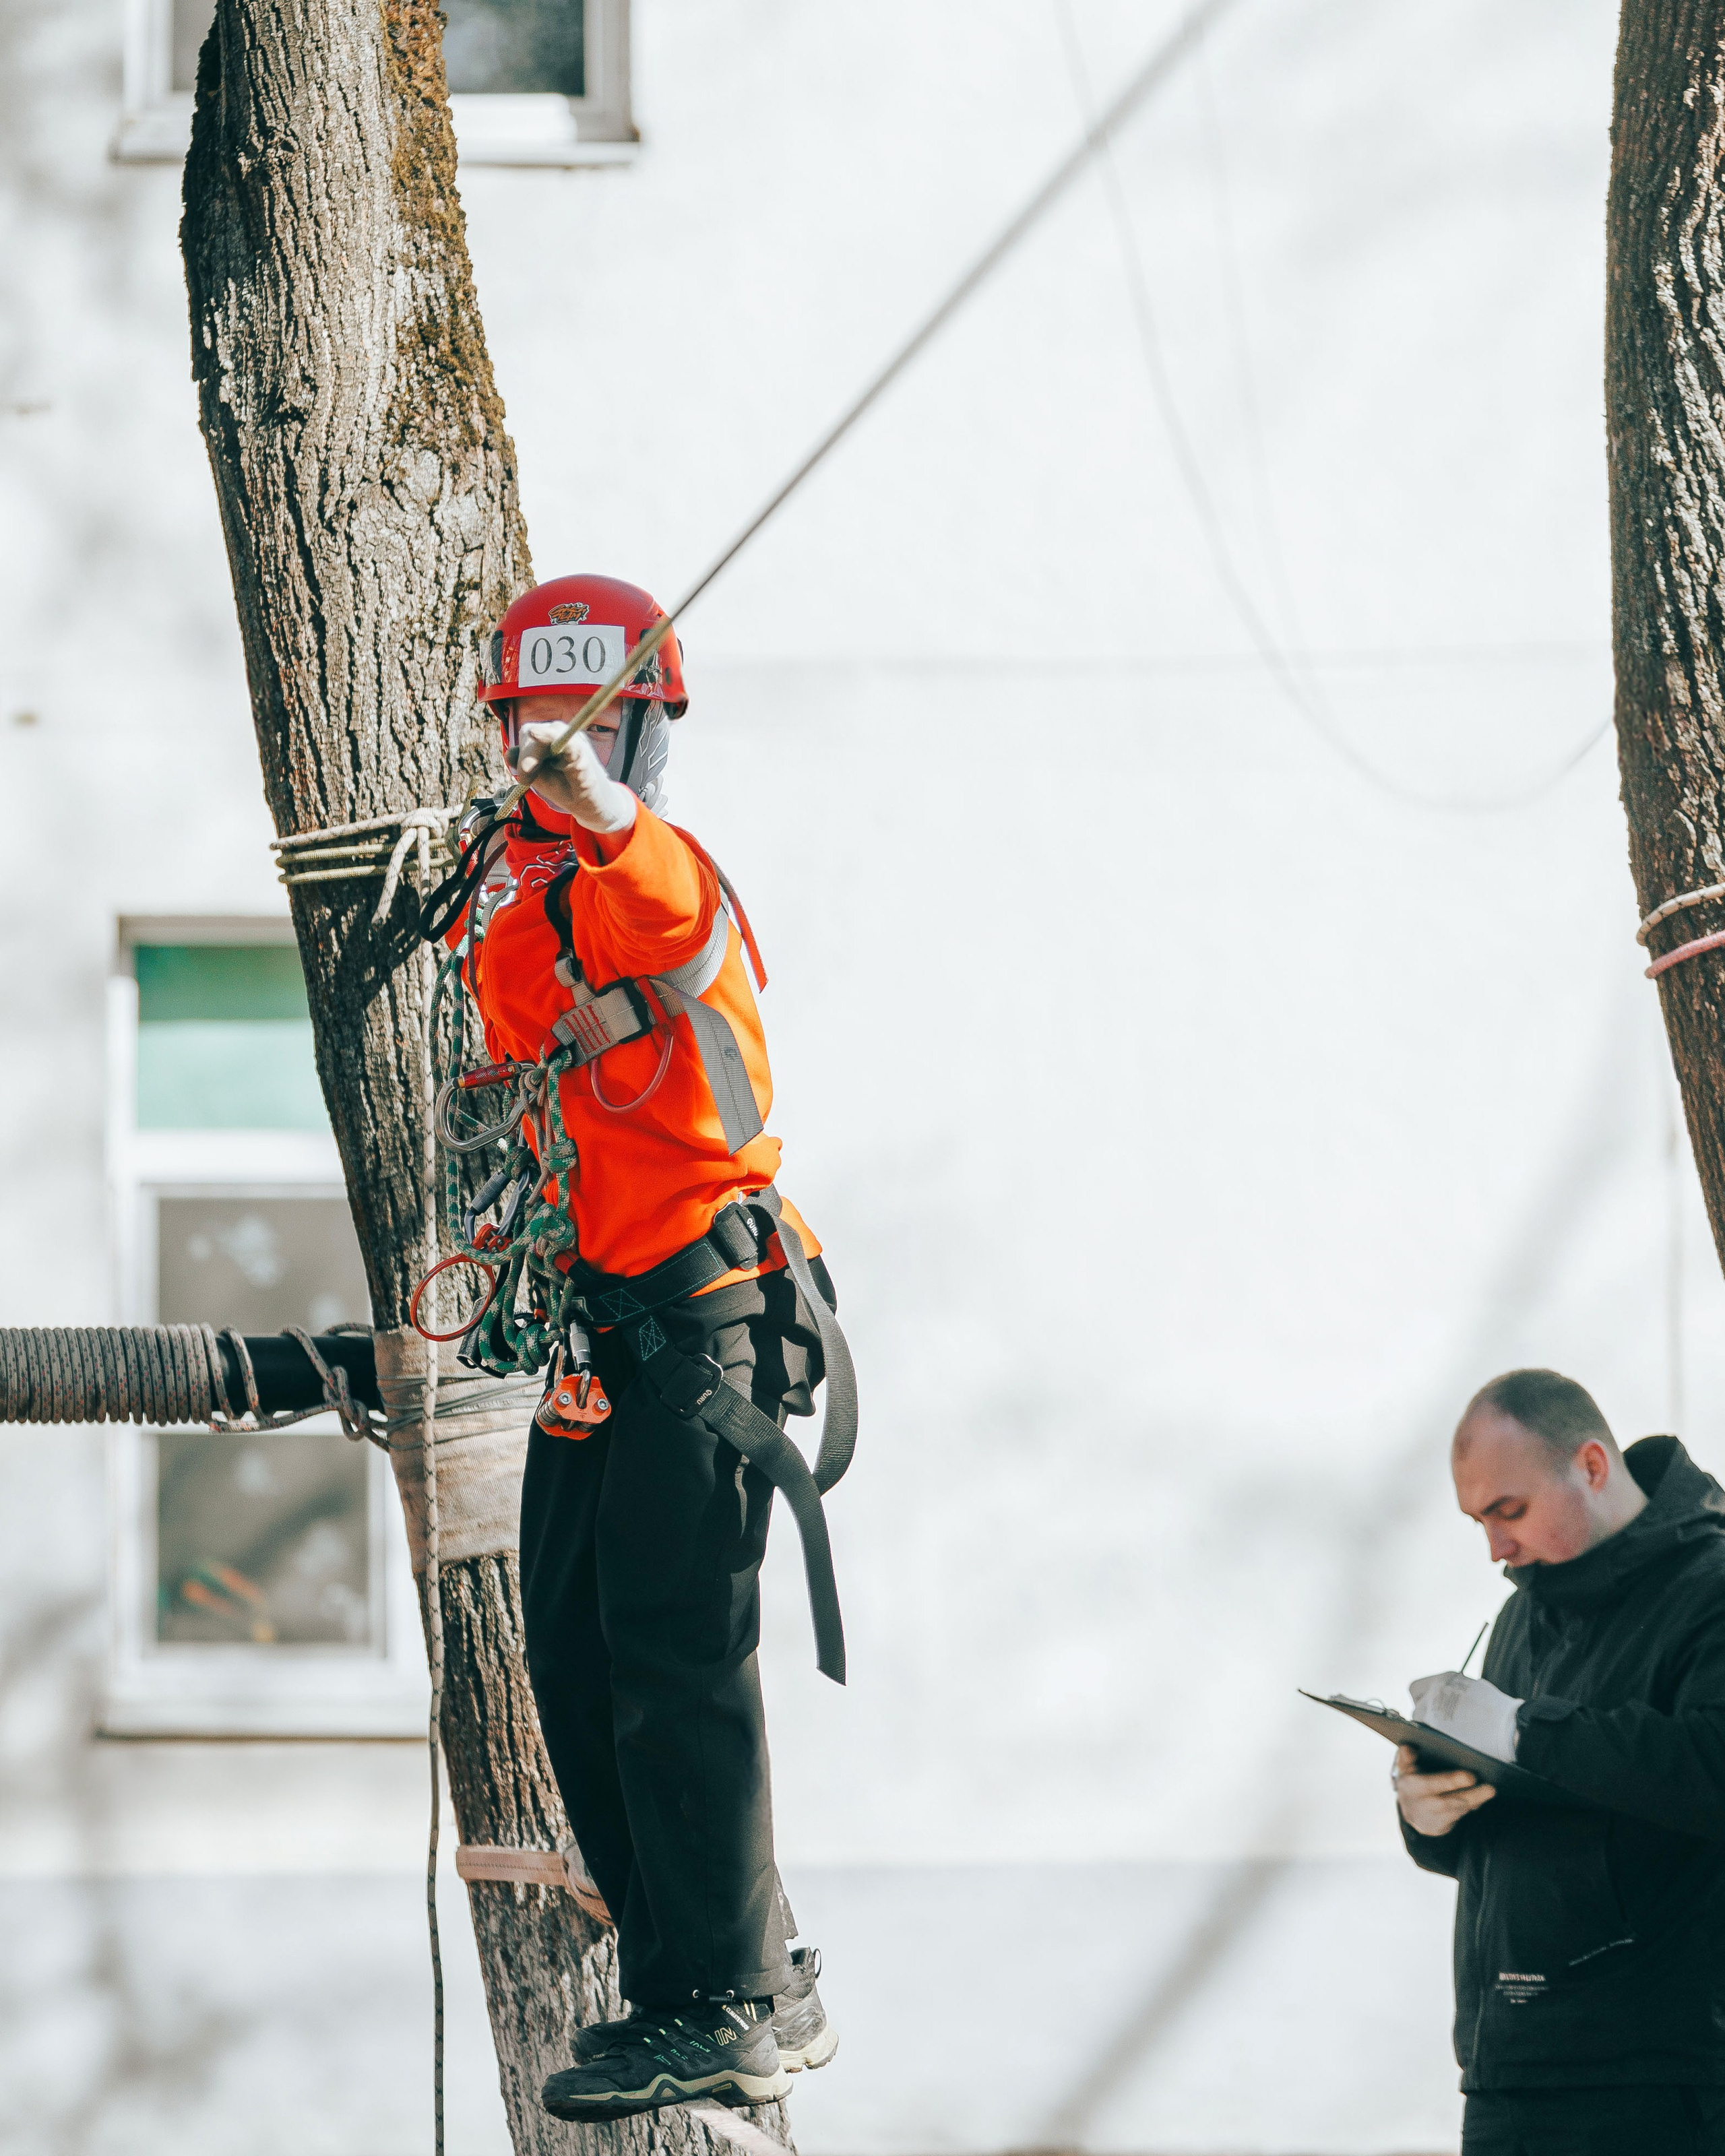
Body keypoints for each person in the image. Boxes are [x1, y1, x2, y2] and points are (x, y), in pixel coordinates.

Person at [456, 574, 850, 2122]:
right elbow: (508, 1040)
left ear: (631, 726)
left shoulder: (660, 868)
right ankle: (695, 1975)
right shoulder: (525, 909)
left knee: (679, 1663)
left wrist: (596, 800)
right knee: (570, 1654)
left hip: (704, 1310)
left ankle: (730, 1997)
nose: (542, 755)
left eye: (578, 725)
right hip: (598, 1334)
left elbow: (657, 888)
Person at [1395, 1368, 1725, 2155]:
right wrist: (1426, 1811)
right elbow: (1516, 1809)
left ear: (1590, 1465)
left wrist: (1523, 1730)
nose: (1494, 1546)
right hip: (1508, 2068)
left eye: (1508, 1511)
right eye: (1478, 1520)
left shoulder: (1710, 1587)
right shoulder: (1520, 1613)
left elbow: (1711, 1766)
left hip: (1654, 2079)